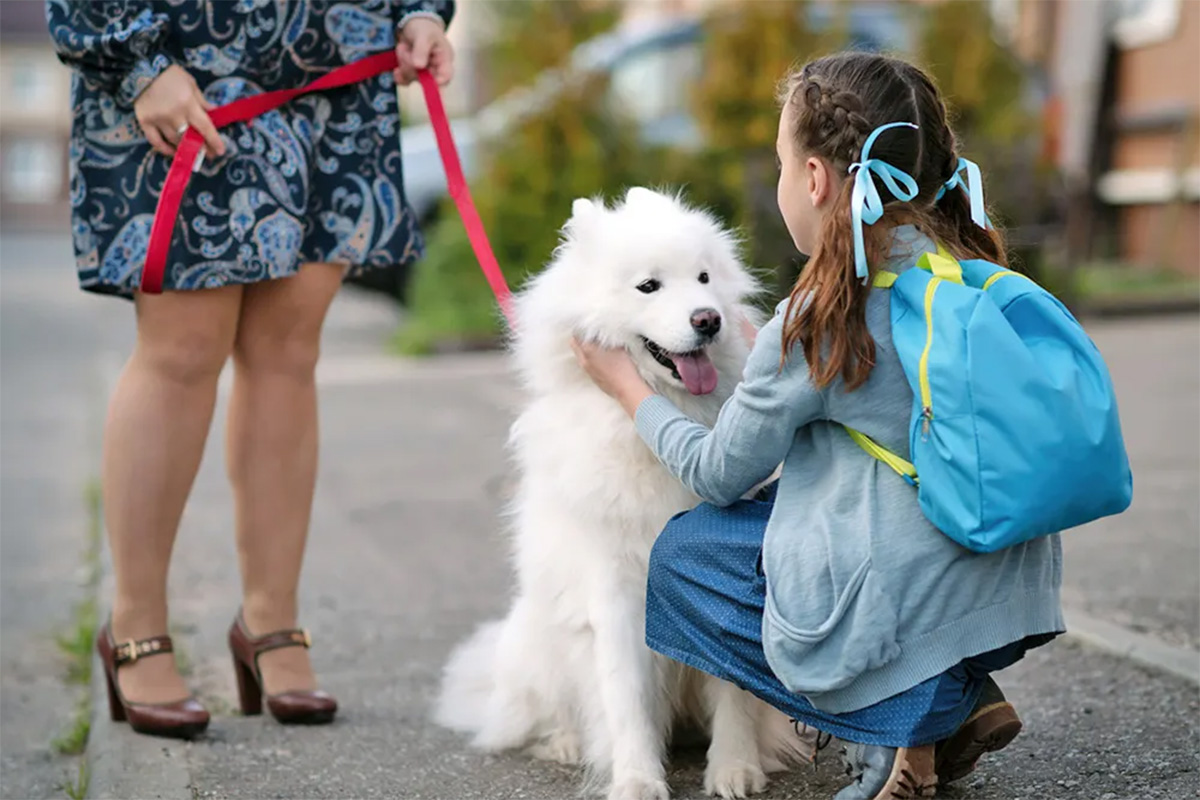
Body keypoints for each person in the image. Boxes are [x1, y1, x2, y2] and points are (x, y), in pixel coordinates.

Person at [571, 52, 1064, 800]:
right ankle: (954, 690)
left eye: (779, 164)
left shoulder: (820, 316)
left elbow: (714, 475)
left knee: (687, 555)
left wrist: (626, 389)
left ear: (812, 179)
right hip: (1012, 588)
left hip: (907, 591)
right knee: (824, 504)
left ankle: (896, 717)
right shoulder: (969, 267)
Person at [46, 0, 455, 739]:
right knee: (182, 348)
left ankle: (272, 621)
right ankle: (135, 625)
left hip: (335, 65)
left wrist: (423, 12)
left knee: (290, 352)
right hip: (188, 66)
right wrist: (140, 64)